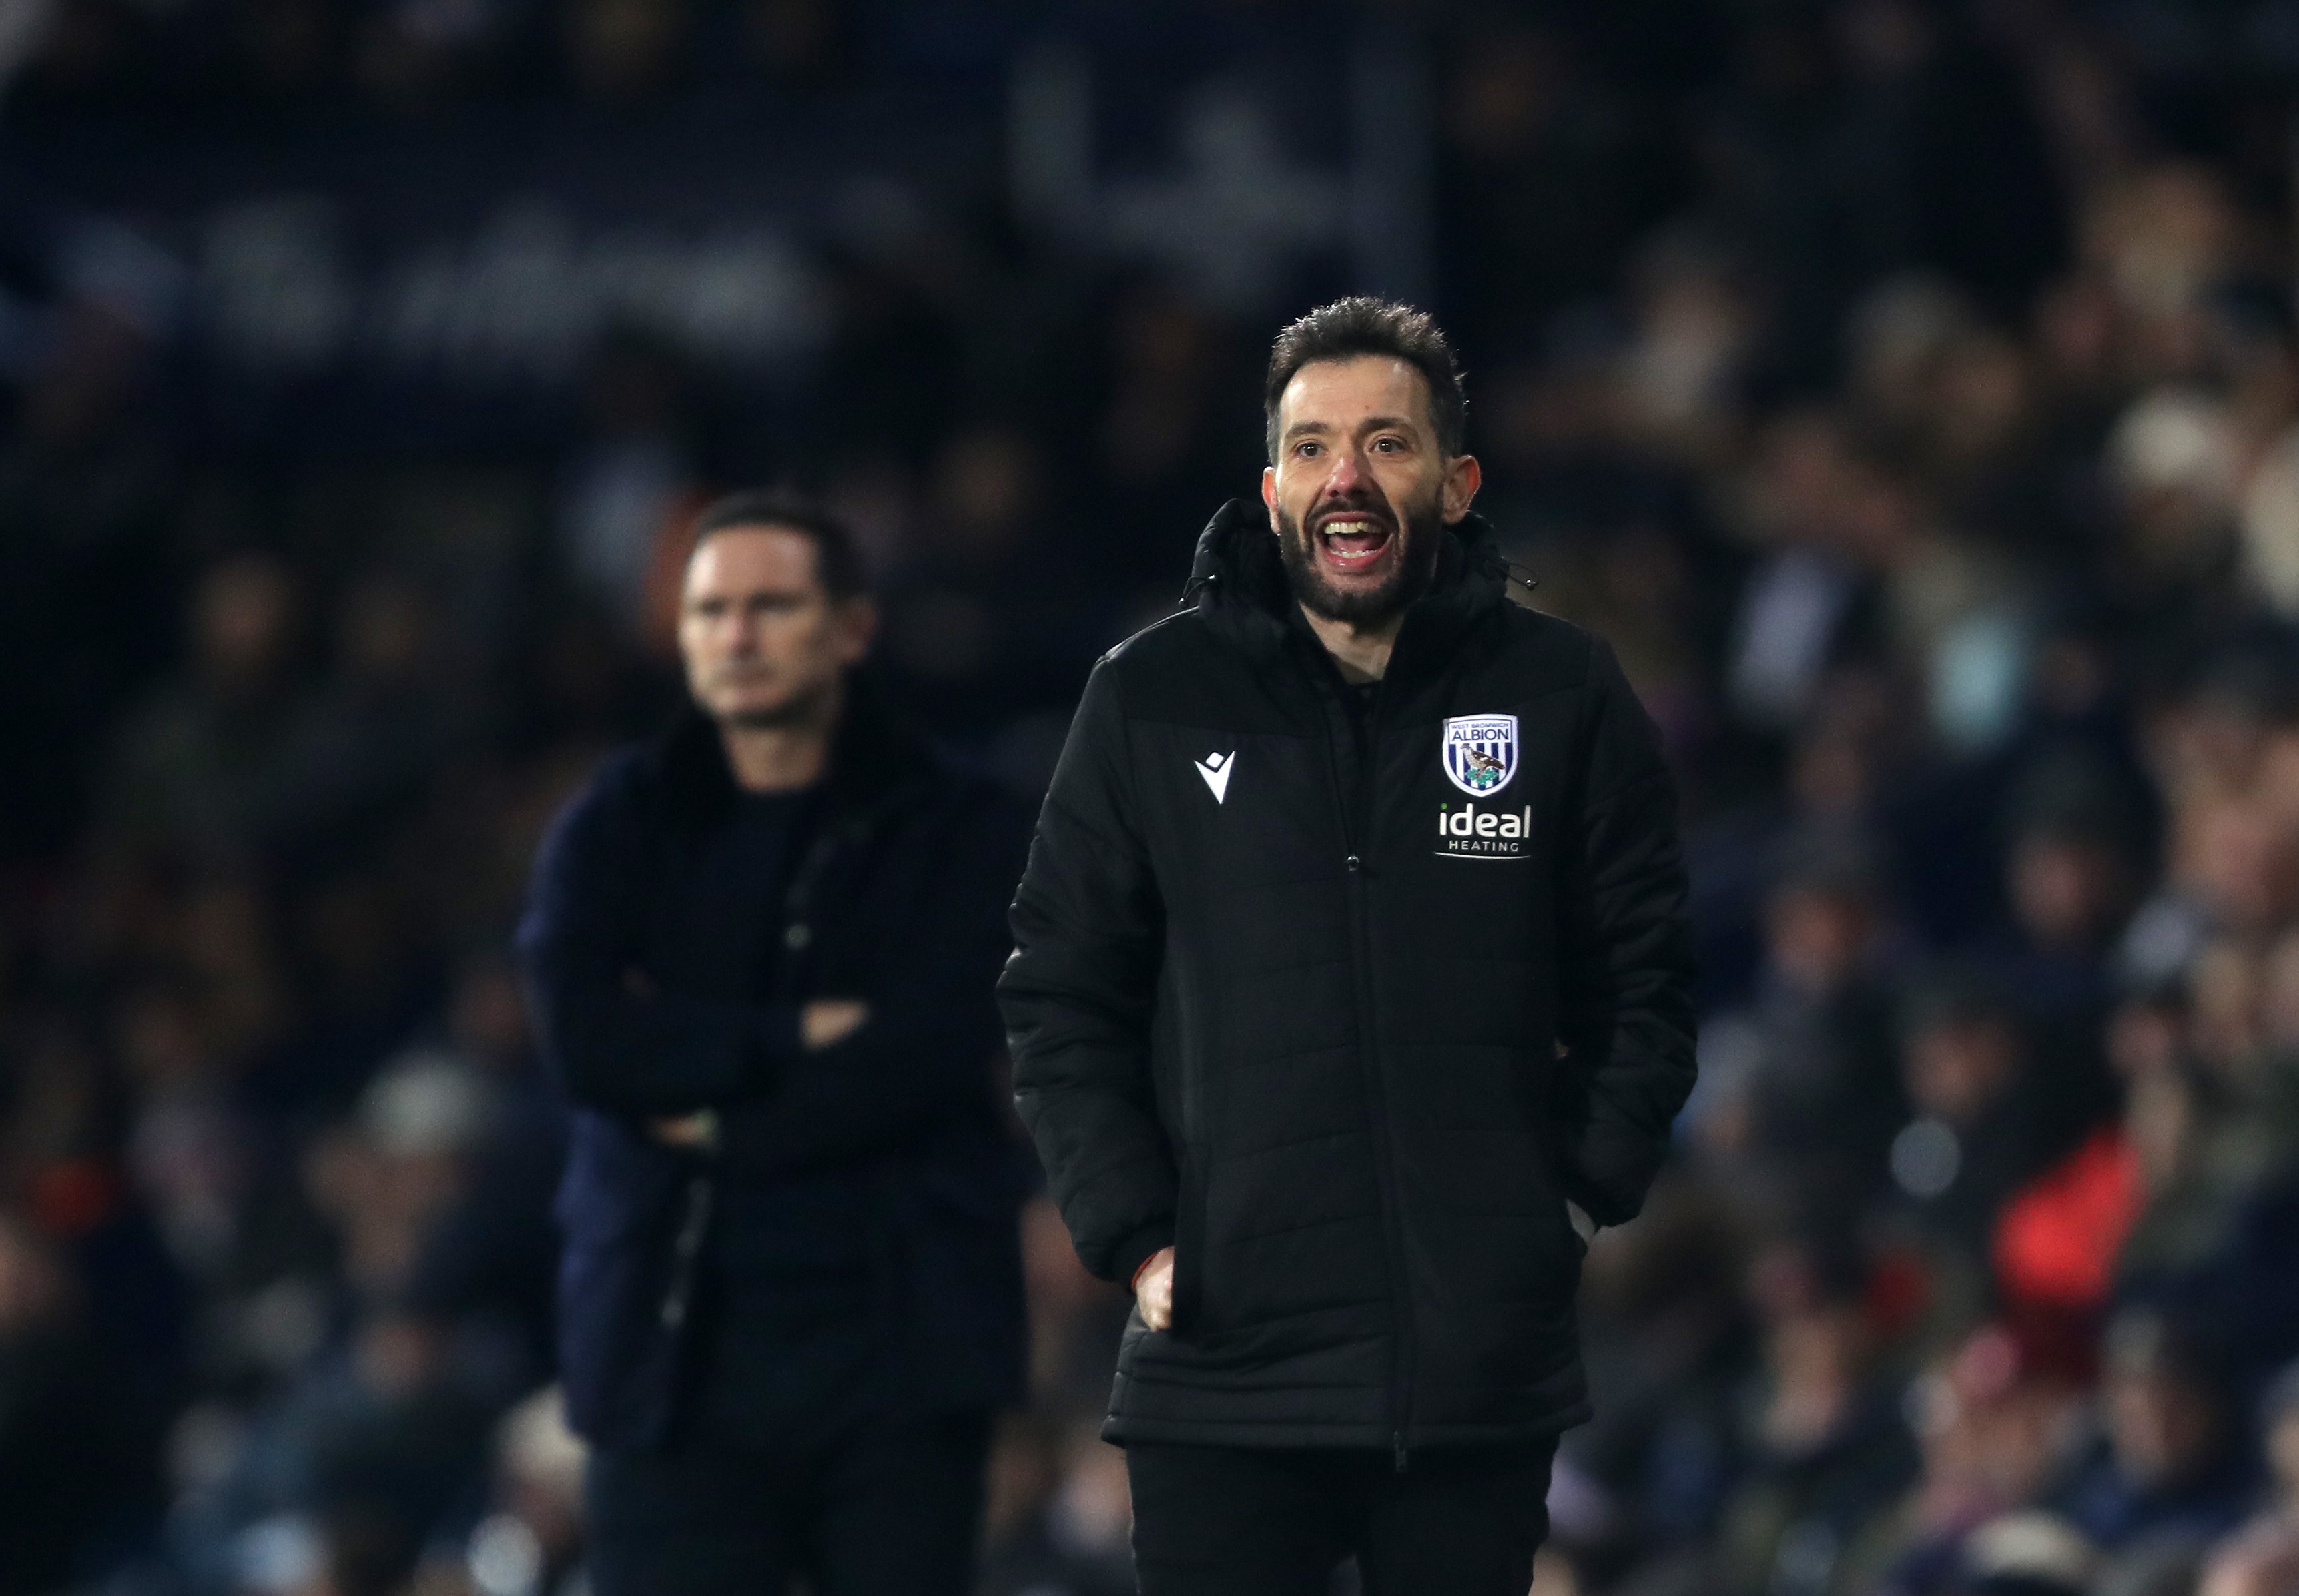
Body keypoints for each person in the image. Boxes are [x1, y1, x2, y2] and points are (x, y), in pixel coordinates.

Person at [999, 296, 1698, 1595]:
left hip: (1472, 1374)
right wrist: (1139, 1236)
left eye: (1387, 443)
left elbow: (1645, 982)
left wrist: (1566, 1198)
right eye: (1314, 446)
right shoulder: (1150, 697)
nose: (1348, 479)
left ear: (1456, 478)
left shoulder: (1560, 692)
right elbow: (1059, 993)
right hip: (1219, 1372)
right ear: (1270, 488)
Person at [516, 494, 1027, 1596]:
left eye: (771, 606)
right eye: (711, 611)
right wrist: (792, 1034)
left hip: (902, 1353)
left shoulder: (963, 828)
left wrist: (698, 1103)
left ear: (851, 626)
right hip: (669, 1354)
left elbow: (921, 1057)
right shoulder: (619, 820)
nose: (735, 636)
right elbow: (582, 1041)